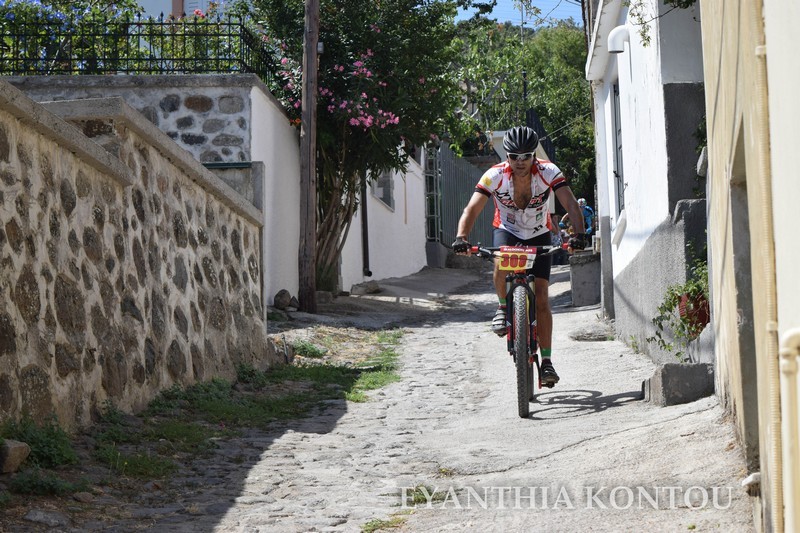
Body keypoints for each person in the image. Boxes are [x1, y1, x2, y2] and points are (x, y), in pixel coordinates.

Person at [451, 126, 586, 385]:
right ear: (507, 156)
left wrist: (578, 234)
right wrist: (461, 237)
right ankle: (503, 308)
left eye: (526, 156)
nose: (521, 162)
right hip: (508, 230)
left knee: (544, 297)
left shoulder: (549, 171)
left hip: (539, 232)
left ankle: (546, 362)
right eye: (515, 156)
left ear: (534, 156)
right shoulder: (495, 175)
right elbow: (473, 207)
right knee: (500, 263)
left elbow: (569, 202)